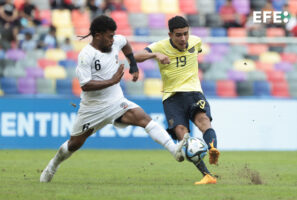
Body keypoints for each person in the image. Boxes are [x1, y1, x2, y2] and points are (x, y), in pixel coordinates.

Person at [40, 15, 188, 183]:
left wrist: (133, 64)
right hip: (92, 107)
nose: (113, 39)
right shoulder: (86, 55)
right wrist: (112, 80)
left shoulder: (116, 41)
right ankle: (53, 165)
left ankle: (174, 150)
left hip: (116, 102)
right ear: (98, 35)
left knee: (144, 118)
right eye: (109, 36)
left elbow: (125, 43)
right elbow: (85, 85)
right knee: (74, 144)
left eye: (113, 35)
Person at [134, 16, 220, 185]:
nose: (183, 39)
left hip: (193, 91)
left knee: (203, 121)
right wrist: (156, 55)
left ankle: (212, 148)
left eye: (186, 34)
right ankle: (208, 175)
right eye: (179, 35)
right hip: (172, 98)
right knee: (183, 137)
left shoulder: (196, 42)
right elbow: (135, 57)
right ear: (170, 34)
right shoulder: (160, 46)